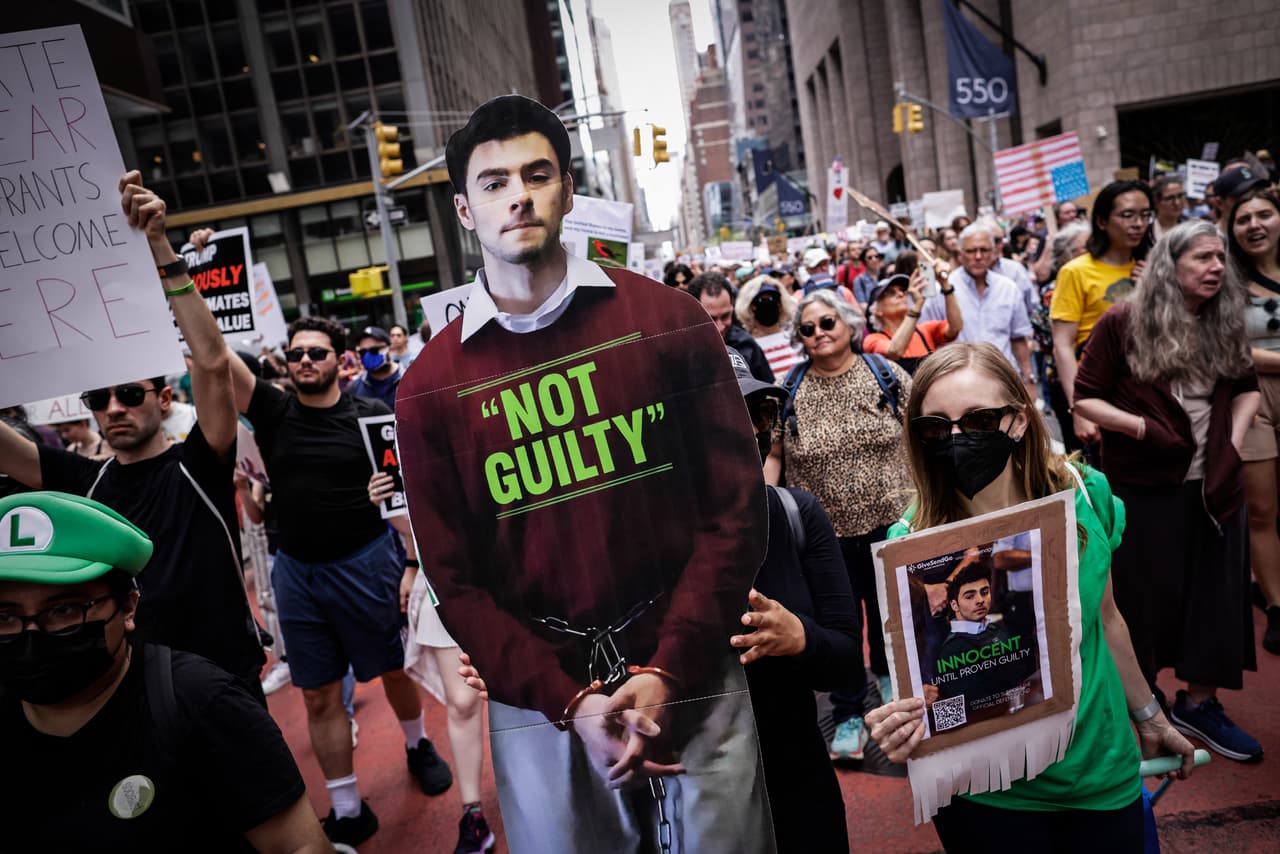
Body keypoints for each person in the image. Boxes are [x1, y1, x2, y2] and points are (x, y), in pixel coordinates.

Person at [397, 94, 775, 853]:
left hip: (689, 658)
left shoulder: (670, 323)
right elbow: (455, 580)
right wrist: (565, 700)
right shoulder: (428, 388)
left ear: (569, 191)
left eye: (537, 175)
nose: (520, 196)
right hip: (539, 697)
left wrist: (669, 669)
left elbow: (735, 511)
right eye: (495, 182)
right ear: (465, 211)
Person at [865, 343, 1195, 852]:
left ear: (1018, 422)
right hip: (987, 795)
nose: (956, 439)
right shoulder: (912, 540)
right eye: (935, 427)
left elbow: (1106, 620)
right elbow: (927, 678)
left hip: (1098, 770)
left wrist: (1150, 715)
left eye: (977, 420)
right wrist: (902, 725)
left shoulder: (1086, 495)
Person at [0, 173, 266, 701]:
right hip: (128, 689)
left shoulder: (200, 462)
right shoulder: (84, 482)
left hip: (223, 681)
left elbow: (213, 364)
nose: (114, 407)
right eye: (99, 400)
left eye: (129, 393)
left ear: (165, 399)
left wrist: (160, 247)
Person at [224, 313, 454, 846]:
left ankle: (418, 744)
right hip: (296, 572)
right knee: (319, 695)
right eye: (297, 353)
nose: (306, 360)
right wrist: (173, 275)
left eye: (317, 353)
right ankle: (348, 808)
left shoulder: (372, 415)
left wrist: (412, 559)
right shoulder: (273, 411)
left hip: (367, 563)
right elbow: (215, 359)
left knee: (395, 670)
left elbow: (409, 493)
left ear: (339, 361)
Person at [0, 491, 332, 852]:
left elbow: (298, 845)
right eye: (5, 617)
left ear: (128, 607)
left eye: (63, 610)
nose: (30, 635)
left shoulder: (202, 702)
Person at [1073, 220, 1263, 762]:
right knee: (1141, 597)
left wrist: (1230, 436)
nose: (1217, 268)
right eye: (1203, 258)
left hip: (1215, 484)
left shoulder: (1225, 318)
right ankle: (1144, 702)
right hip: (1143, 485)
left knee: (1217, 594)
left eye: (1221, 259)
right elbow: (1086, 399)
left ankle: (1200, 704)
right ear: (1169, 265)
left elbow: (1247, 388)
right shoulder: (1122, 321)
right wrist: (1140, 428)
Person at [765, 288, 912, 760]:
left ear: (849, 323)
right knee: (841, 628)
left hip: (894, 525)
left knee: (896, 619)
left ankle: (898, 699)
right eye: (808, 329)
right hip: (825, 537)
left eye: (828, 323)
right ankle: (850, 715)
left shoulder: (885, 375)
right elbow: (773, 455)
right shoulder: (788, 391)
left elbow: (923, 433)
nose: (819, 334)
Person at [367, 475, 496, 854]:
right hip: (446, 574)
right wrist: (390, 508)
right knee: (463, 700)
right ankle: (473, 815)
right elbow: (421, 524)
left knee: (525, 695)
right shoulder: (403, 429)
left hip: (515, 560)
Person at [1229, 185, 1280, 655]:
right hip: (1253, 397)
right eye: (1244, 219)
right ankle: (1276, 605)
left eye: (1265, 214)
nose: (1255, 225)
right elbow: (1227, 347)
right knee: (1262, 510)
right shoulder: (1225, 280)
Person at [921, 223, 1036, 398]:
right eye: (971, 251)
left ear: (994, 252)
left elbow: (1018, 338)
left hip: (1003, 382)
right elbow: (927, 341)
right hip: (957, 385)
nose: (978, 256)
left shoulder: (1008, 288)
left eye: (984, 250)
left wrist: (1027, 379)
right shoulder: (942, 290)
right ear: (960, 254)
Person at [1034, 223, 1092, 451]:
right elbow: (1052, 341)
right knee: (1081, 453)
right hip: (1067, 381)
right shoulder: (1053, 291)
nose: (1092, 253)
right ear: (1065, 255)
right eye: (1084, 249)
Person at [863, 266, 963, 375]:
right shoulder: (872, 340)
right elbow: (895, 350)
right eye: (891, 293)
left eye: (903, 291)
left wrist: (946, 287)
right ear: (877, 310)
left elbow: (955, 327)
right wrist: (917, 305)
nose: (901, 294)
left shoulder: (924, 330)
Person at [691, 271, 775, 383]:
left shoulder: (747, 345)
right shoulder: (678, 351)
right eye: (710, 319)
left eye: (725, 316)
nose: (720, 327)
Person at [736, 275, 803, 378]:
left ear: (781, 304)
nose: (769, 303)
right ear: (751, 307)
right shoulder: (748, 348)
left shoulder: (796, 338)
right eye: (762, 300)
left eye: (773, 298)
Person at [347, 325, 405, 411]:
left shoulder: (410, 380)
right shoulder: (354, 388)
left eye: (374, 350)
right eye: (363, 352)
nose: (367, 356)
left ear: (389, 349)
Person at [1152, 175, 1187, 240]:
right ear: (1156, 202)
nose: (1177, 203)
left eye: (1180, 196)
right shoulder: (1146, 232)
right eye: (1170, 198)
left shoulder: (1190, 229)